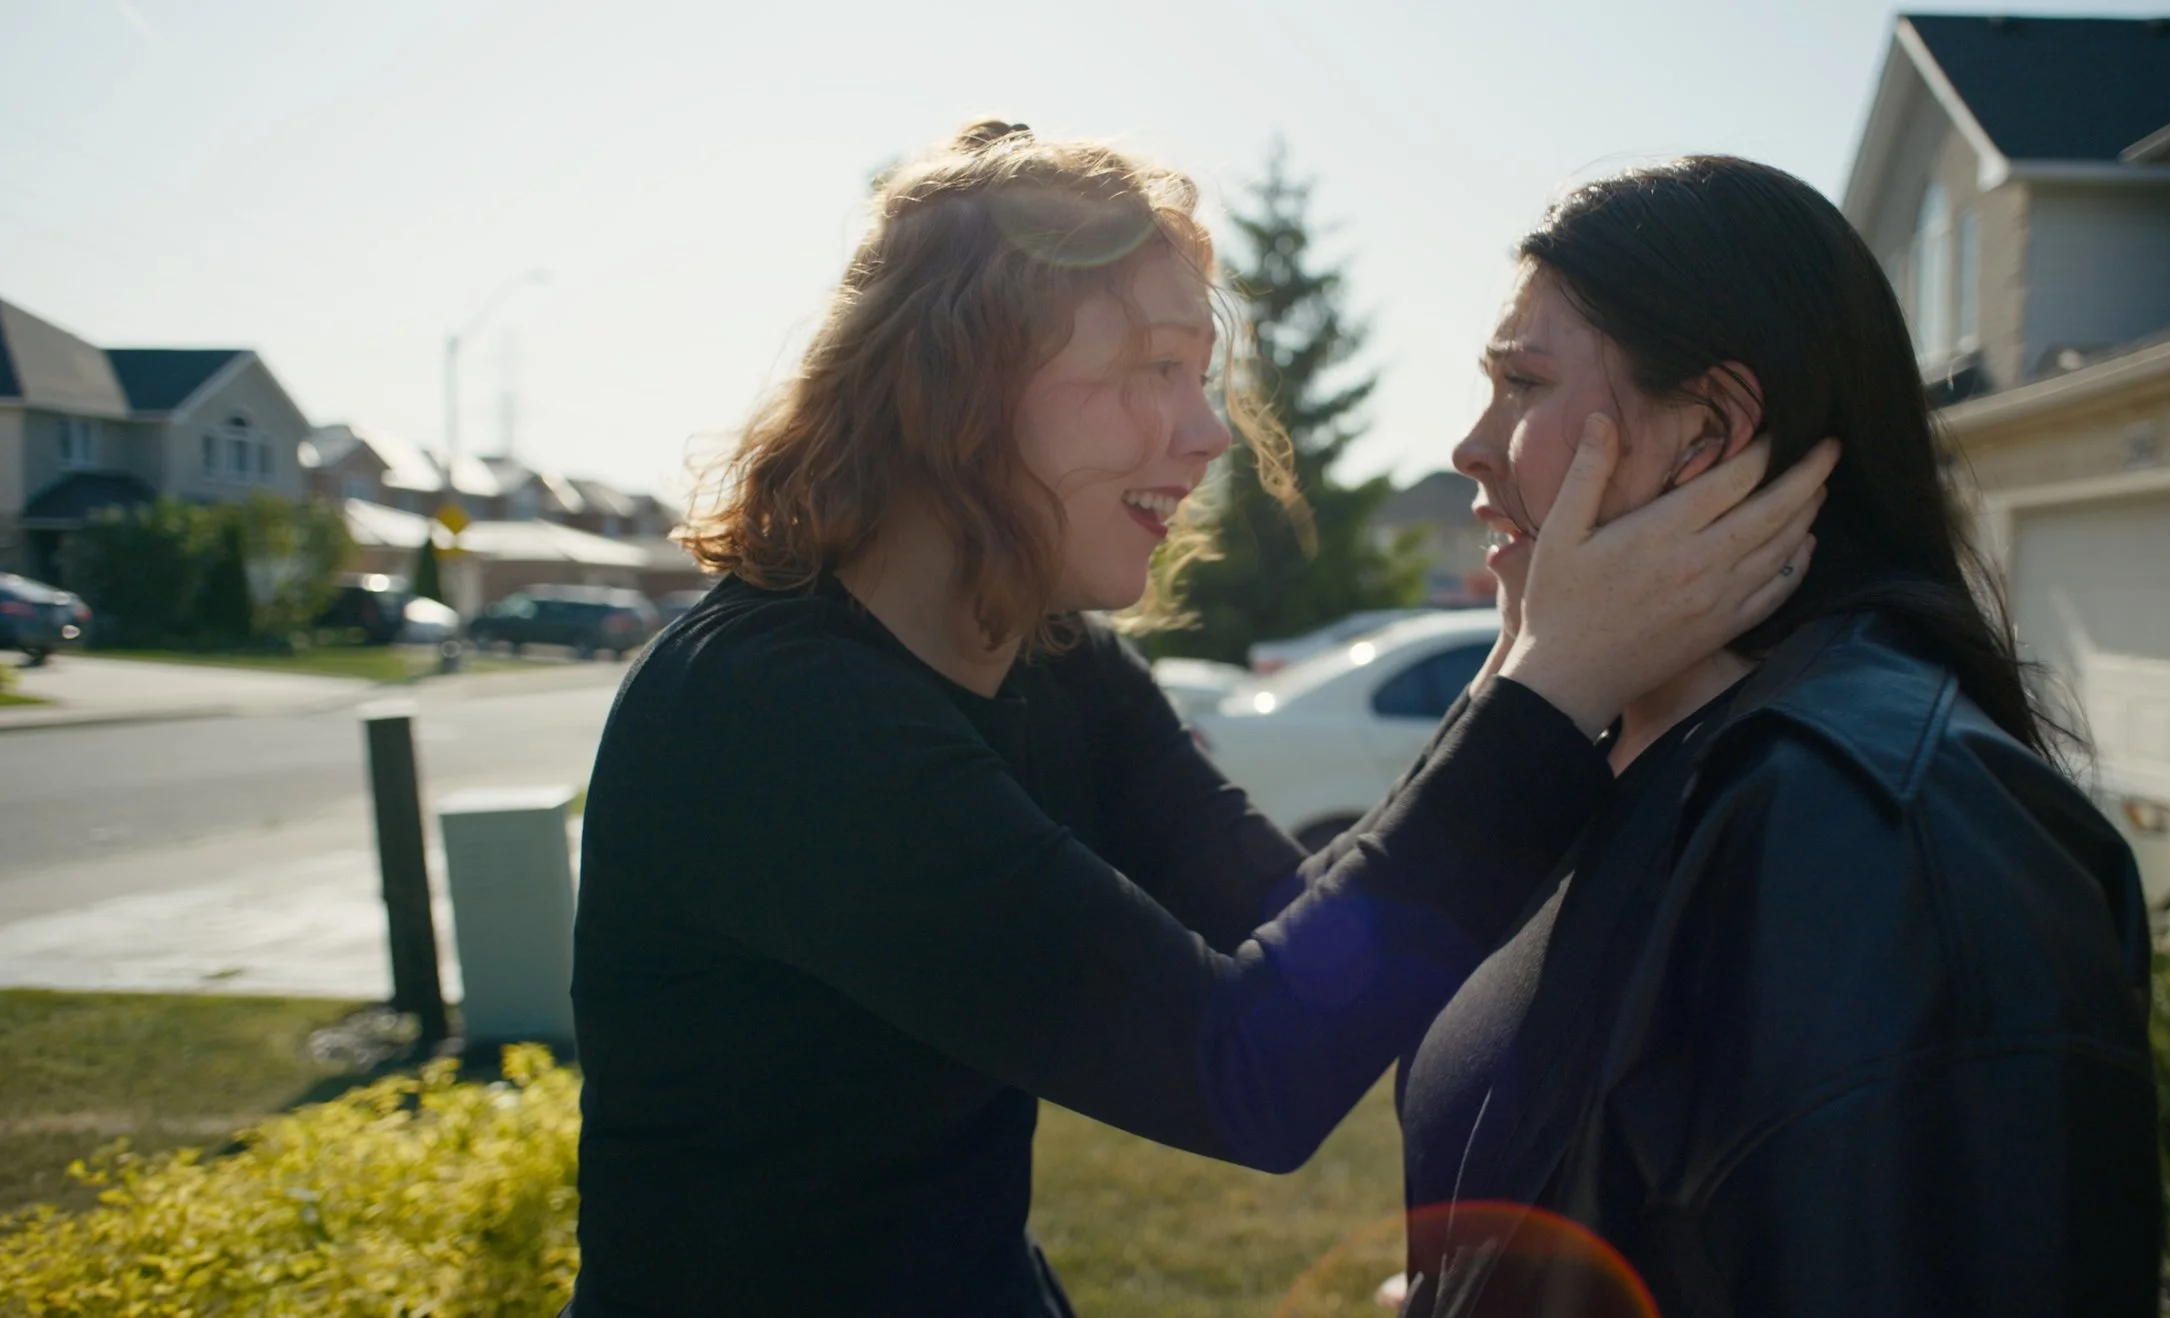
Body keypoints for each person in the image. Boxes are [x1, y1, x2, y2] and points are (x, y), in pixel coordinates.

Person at [562, 124, 1832, 1317]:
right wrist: (1549, 688)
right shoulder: (774, 716)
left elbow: (1319, 946)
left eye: (1200, 375)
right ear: (960, 384)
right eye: (1152, 370)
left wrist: (1521, 664)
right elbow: (1247, 1071)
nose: (1208, 431)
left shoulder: (1053, 660)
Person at [1394, 156, 2159, 1317]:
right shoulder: (1612, 751)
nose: (1469, 443)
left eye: (1521, 383)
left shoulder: (1876, 839)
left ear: (1707, 432)